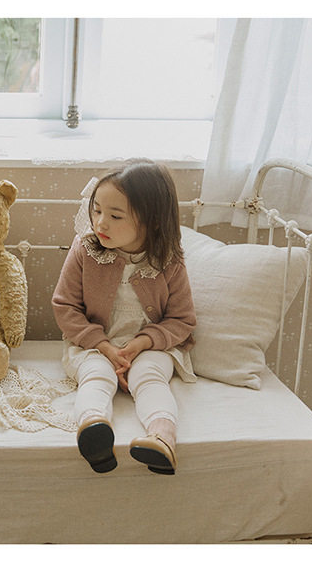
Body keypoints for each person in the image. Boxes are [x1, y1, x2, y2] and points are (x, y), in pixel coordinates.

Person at [52, 159, 196, 475]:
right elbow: (65, 307)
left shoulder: (169, 260)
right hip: (95, 344)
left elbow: (182, 320)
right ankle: (94, 428)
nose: (100, 223)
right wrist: (104, 347)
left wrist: (142, 343)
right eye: (96, 211)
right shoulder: (85, 250)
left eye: (115, 216)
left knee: (149, 377)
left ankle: (162, 437)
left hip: (150, 347)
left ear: (153, 221)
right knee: (96, 376)